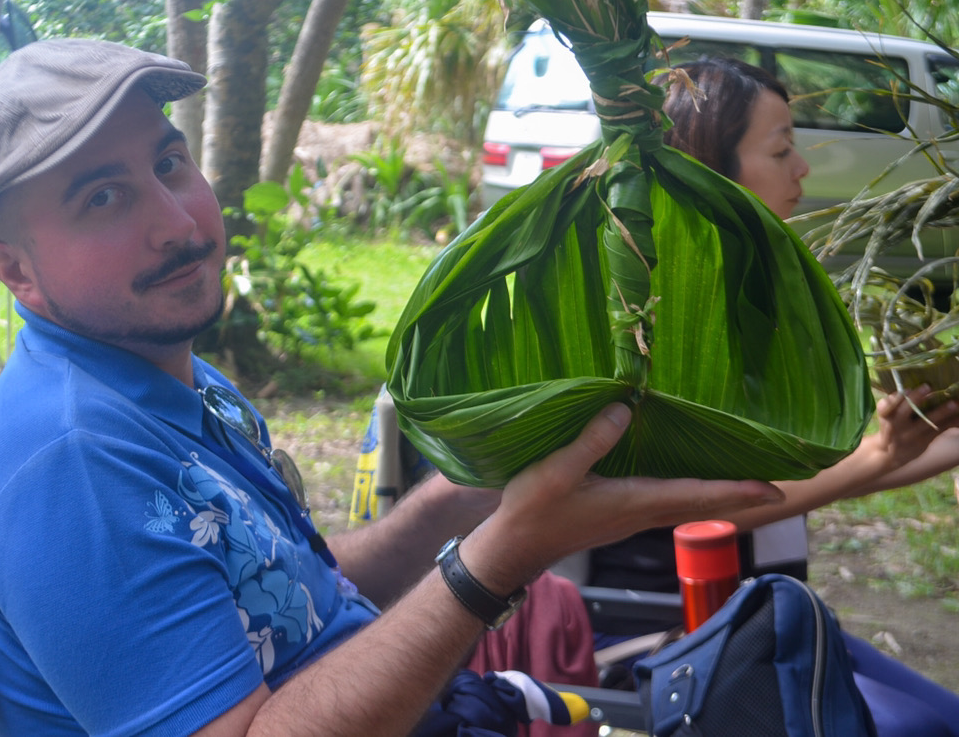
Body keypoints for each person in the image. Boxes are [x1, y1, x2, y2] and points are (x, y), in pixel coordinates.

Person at [0, 38, 781, 736]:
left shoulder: (161, 378)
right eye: (104, 198)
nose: (178, 220)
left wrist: (469, 495)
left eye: (169, 162)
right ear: (16, 274)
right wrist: (501, 556)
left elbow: (301, 602)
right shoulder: (68, 459)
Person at [355, 56, 959, 734]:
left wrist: (908, 444)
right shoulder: (650, 331)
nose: (803, 171)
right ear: (700, 170)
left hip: (762, 615)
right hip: (666, 644)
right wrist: (877, 458)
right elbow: (697, 505)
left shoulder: (761, 308)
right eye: (782, 149)